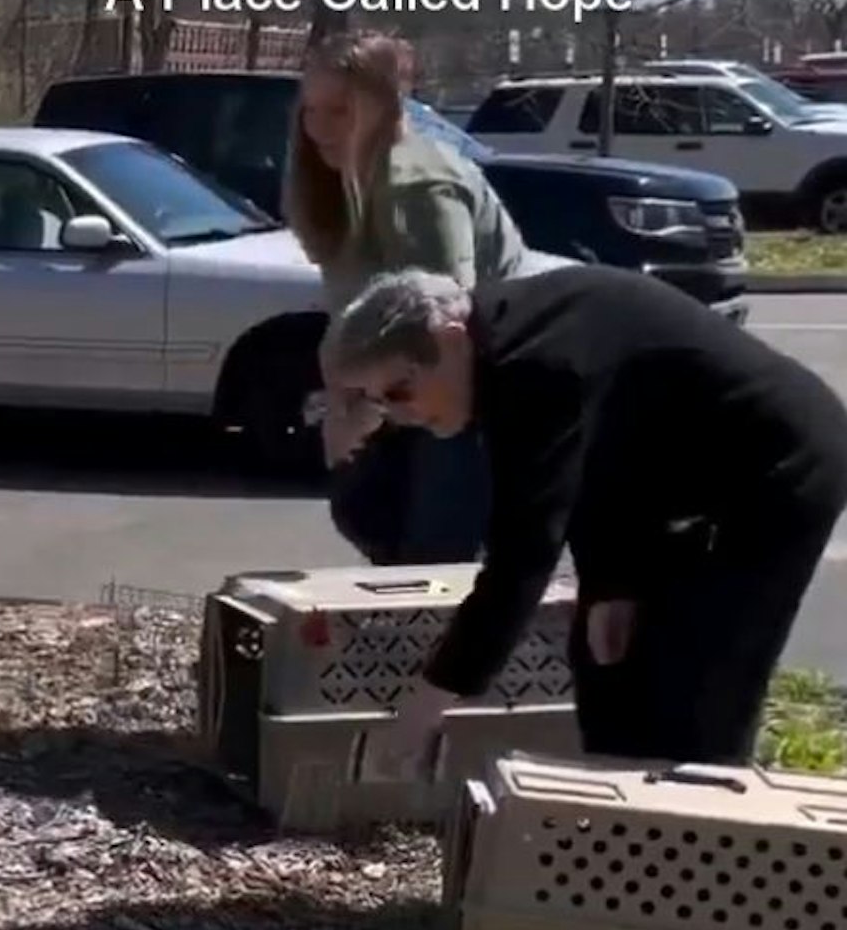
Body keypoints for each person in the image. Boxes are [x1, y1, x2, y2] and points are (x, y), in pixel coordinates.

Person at [320, 263, 847, 769]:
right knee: (606, 665)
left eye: (401, 390)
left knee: (707, 676)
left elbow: (522, 556)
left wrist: (432, 698)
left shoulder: (533, 366)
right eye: (379, 401)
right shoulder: (500, 349)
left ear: (450, 338)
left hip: (780, 465)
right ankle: (621, 805)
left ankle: (704, 806)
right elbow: (598, 460)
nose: (400, 414)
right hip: (667, 475)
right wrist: (611, 584)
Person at [283, 28, 531, 565]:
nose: (319, 129)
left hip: (465, 398)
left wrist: (364, 407)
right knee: (366, 516)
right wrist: (341, 401)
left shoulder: (418, 188)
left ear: (386, 106)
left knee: (433, 556)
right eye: (310, 111)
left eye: (340, 110)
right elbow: (354, 311)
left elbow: (443, 330)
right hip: (399, 389)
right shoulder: (340, 179)